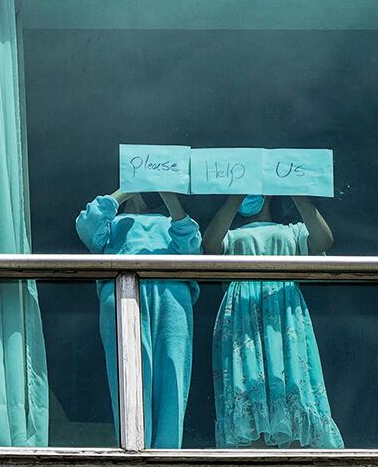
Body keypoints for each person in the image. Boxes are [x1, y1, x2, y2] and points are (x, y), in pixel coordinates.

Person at [204, 194, 344, 448]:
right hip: (243, 315)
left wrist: (297, 193)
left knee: (288, 379)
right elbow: (211, 245)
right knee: (247, 383)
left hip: (282, 311)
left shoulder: (292, 232)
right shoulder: (232, 236)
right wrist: (236, 198)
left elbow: (324, 239)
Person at [76, 189, 200, 448]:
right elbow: (86, 226)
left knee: (172, 374)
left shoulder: (171, 222)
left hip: (172, 297)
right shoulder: (114, 225)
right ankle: (133, 450)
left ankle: (166, 455)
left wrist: (168, 195)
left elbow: (192, 247)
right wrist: (125, 190)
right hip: (124, 293)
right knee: (128, 375)